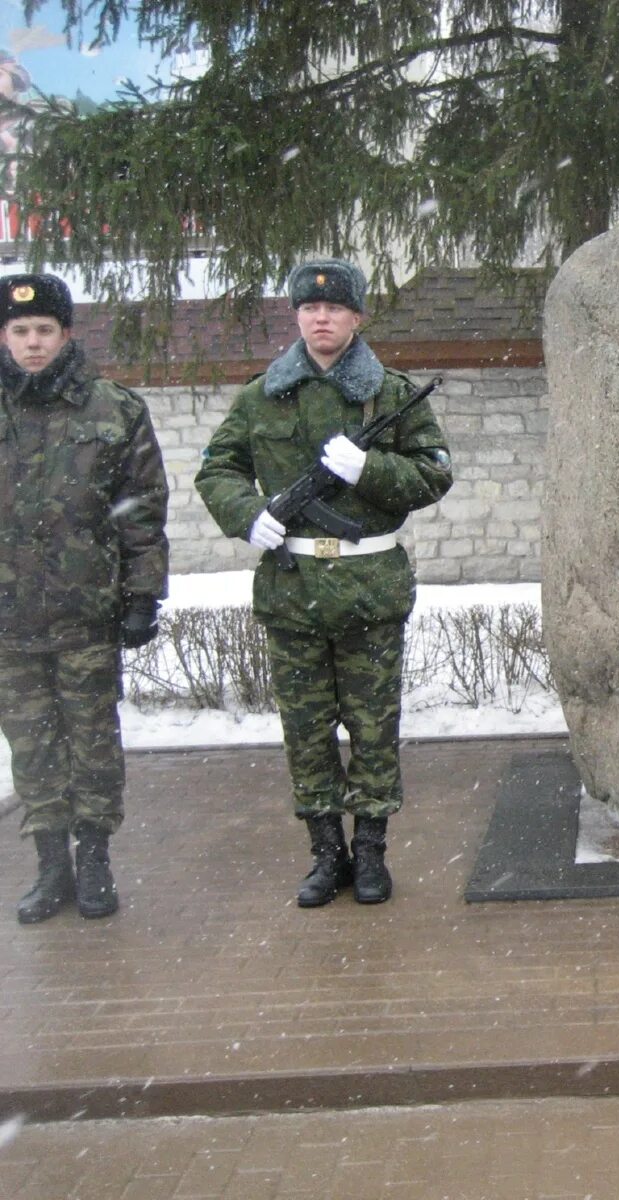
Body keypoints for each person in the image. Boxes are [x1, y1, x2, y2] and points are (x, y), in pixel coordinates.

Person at [195, 259, 451, 905]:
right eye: (310, 309)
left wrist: (372, 469)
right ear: (297, 316)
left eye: (335, 308)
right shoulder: (262, 395)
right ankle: (324, 854)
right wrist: (245, 513)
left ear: (357, 317)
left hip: (368, 584)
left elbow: (433, 475)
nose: (322, 317)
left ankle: (370, 853)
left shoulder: (389, 395)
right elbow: (218, 467)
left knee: (372, 727)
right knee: (306, 731)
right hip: (292, 585)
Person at [0, 272, 168, 922]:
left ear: (66, 334)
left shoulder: (112, 410)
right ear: (5, 336)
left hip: (86, 615)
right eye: (21, 331)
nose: (33, 342)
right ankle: (51, 867)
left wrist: (142, 594)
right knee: (32, 745)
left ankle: (95, 859)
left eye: (45, 330)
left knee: (93, 740)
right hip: (10, 622)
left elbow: (142, 510)